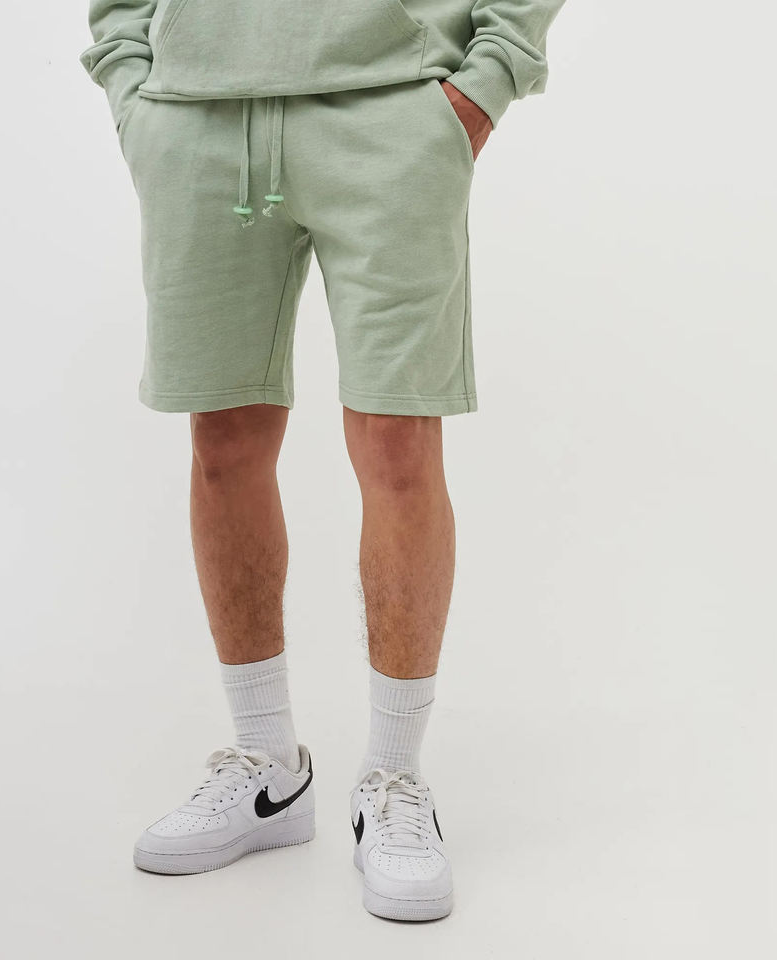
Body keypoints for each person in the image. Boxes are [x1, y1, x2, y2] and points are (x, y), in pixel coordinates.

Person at [80, 0, 564, 921]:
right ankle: (267, 766)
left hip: (392, 110)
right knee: (223, 441)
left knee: (398, 441)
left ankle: (394, 777)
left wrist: (489, 76)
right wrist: (129, 77)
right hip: (194, 116)